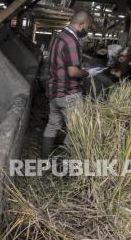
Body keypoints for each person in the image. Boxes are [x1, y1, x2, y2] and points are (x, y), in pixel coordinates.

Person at [41, 10, 100, 158]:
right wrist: (86, 73)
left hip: (54, 92)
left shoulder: (58, 36)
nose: (86, 31)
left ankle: (44, 160)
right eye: (87, 27)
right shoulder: (72, 41)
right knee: (76, 129)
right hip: (69, 94)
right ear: (81, 24)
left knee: (53, 125)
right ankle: (64, 164)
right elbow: (73, 72)